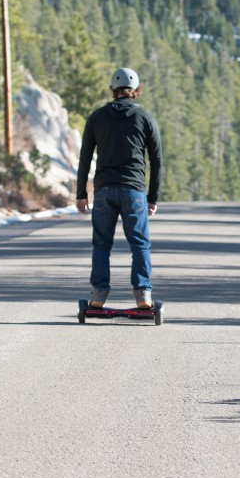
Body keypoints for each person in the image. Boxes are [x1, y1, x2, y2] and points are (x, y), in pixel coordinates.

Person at [76, 68, 163, 310]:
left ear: (113, 90)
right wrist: (152, 197)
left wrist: (81, 193)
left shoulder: (96, 117)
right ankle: (143, 295)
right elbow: (157, 161)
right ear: (136, 91)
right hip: (134, 191)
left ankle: (98, 295)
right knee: (140, 245)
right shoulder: (145, 118)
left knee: (102, 244)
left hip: (104, 191)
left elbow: (85, 157)